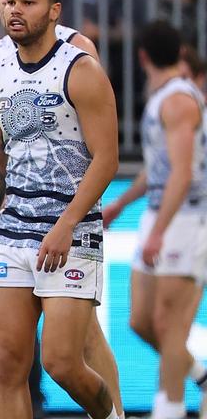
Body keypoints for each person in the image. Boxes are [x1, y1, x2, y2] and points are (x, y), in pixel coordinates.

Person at [0, 0, 125, 419]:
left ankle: (112, 414)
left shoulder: (79, 64)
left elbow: (107, 157)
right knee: (9, 365)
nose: (13, 9)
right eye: (7, 0)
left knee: (64, 361)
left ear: (54, 9)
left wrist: (66, 225)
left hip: (69, 228)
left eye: (27, 1)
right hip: (10, 232)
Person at [102, 21, 207, 419]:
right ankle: (199, 374)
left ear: (142, 55)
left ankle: (170, 409)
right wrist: (121, 204)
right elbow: (158, 169)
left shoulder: (179, 100)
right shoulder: (162, 96)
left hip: (187, 218)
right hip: (158, 214)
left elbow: (182, 173)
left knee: (169, 324)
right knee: (140, 320)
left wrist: (160, 232)